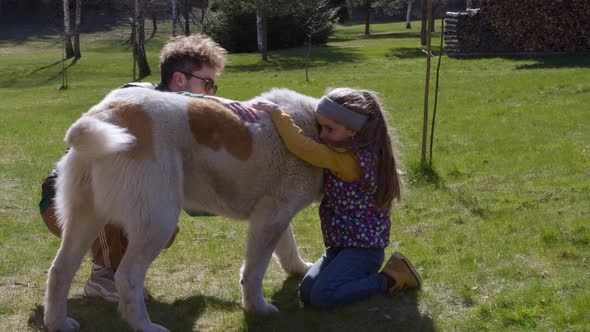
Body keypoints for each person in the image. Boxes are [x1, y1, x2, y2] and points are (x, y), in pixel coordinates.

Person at [39, 34, 257, 302]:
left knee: (164, 226)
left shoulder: (180, 125)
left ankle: (115, 272)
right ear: (179, 79)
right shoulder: (137, 97)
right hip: (64, 200)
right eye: (208, 83)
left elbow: (192, 198)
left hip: (107, 193)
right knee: (120, 198)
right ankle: (103, 277)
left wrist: (244, 201)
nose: (211, 93)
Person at [253, 88, 422, 308]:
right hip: (340, 246)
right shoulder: (362, 151)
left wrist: (278, 113)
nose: (322, 135)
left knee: (324, 296)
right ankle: (352, 276)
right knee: (306, 293)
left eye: (329, 129)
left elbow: (302, 147)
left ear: (352, 130)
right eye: (320, 127)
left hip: (363, 252)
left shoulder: (347, 161)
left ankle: (391, 278)